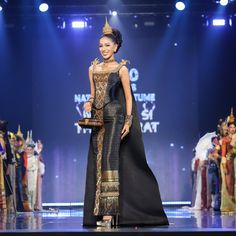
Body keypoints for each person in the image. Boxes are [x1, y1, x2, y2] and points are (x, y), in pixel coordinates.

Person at [82, 18, 168, 227]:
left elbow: (129, 98)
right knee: (98, 162)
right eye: (100, 45)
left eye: (107, 45)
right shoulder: (92, 68)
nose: (103, 49)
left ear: (116, 47)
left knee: (109, 161)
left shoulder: (121, 69)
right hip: (97, 120)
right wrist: (88, 101)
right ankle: (99, 211)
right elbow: (93, 95)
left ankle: (109, 215)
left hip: (114, 118)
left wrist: (128, 121)